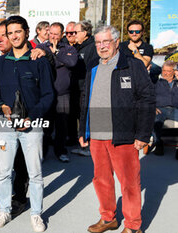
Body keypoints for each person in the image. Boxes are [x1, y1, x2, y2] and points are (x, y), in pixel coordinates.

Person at [78, 25, 155, 233]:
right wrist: (82, 130)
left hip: (124, 135)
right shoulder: (92, 65)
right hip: (96, 134)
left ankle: (132, 226)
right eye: (98, 42)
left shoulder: (132, 65)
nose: (102, 46)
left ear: (116, 42)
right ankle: (108, 218)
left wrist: (143, 134)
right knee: (101, 180)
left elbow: (147, 100)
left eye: (106, 42)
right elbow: (85, 98)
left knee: (129, 182)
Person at [0, 16, 54, 232]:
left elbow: (48, 95)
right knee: (4, 172)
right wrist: (1, 107)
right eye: (10, 33)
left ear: (26, 32)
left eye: (18, 31)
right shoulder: (0, 63)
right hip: (6, 126)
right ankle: (4, 210)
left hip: (33, 125)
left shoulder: (39, 60)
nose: (14, 36)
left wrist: (32, 115)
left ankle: (36, 214)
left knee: (35, 174)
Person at [0, 20, 30, 217]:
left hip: (23, 119)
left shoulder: (32, 56)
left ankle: (20, 197)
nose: (0, 39)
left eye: (4, 35)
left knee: (20, 161)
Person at [37, 22, 78, 162]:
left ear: (62, 35)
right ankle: (42, 153)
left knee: (62, 126)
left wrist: (57, 53)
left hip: (63, 94)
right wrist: (59, 60)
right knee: (45, 126)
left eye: (56, 34)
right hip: (46, 94)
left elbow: (72, 62)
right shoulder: (40, 47)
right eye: (51, 34)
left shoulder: (68, 48)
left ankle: (60, 151)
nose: (53, 36)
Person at [70, 20, 99, 157]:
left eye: (76, 32)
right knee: (78, 116)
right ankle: (81, 143)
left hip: (86, 88)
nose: (73, 35)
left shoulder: (92, 47)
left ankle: (89, 146)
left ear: (85, 33)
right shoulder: (78, 46)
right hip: (76, 87)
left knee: (86, 116)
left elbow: (91, 69)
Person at [151, 60, 178, 155]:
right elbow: (148, 96)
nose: (165, 73)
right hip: (160, 109)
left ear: (174, 71)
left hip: (176, 109)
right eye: (163, 70)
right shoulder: (155, 81)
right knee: (155, 120)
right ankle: (158, 144)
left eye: (168, 71)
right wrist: (152, 107)